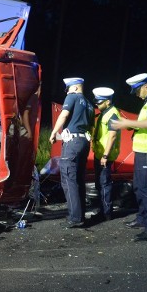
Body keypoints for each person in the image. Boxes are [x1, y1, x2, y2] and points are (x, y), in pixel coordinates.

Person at [112, 73, 147, 241]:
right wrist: (132, 126)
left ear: (146, 86)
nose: (136, 94)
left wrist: (127, 123)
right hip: (142, 148)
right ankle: (143, 218)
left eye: (137, 91)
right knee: (139, 186)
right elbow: (146, 124)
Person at [49, 77, 95, 228]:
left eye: (68, 88)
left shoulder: (72, 97)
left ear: (74, 88)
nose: (67, 92)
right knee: (79, 179)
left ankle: (75, 218)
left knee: (69, 179)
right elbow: (86, 127)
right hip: (84, 142)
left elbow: (64, 115)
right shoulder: (89, 104)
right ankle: (80, 214)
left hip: (72, 144)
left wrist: (53, 132)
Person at [90, 87, 121, 222]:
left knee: (104, 183)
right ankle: (103, 210)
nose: (97, 104)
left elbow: (112, 136)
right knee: (100, 184)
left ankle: (106, 213)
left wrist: (105, 155)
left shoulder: (113, 114)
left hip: (105, 156)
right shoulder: (105, 112)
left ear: (108, 101)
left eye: (100, 102)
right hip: (100, 153)